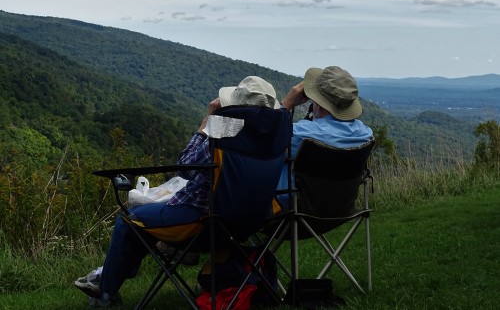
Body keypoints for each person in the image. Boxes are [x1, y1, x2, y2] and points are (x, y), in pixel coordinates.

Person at [74, 76, 281, 308]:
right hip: (247, 222)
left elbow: (185, 168)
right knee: (144, 220)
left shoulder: (225, 130)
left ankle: (106, 292)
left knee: (130, 220)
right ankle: (109, 276)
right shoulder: (276, 135)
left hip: (201, 221)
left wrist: (205, 126)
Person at [276, 66, 374, 207]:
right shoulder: (365, 134)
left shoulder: (300, 134)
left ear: (319, 104)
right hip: (341, 208)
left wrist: (286, 104)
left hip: (293, 209)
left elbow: (263, 141)